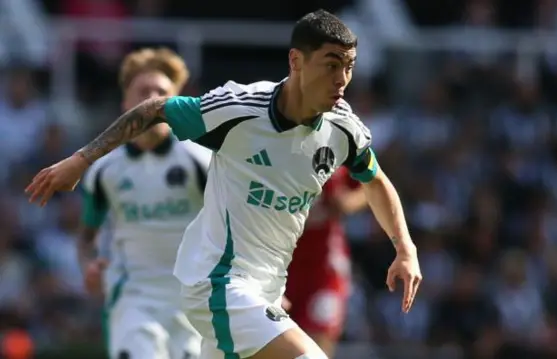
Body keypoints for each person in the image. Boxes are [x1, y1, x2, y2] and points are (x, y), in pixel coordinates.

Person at [25, 10, 422, 359]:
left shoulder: (342, 127)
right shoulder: (239, 110)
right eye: (331, 64)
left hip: (266, 288)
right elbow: (155, 110)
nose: (342, 78)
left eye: (349, 66)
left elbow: (375, 180)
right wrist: (80, 161)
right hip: (218, 282)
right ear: (296, 61)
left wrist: (405, 248)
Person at [77, 48, 207, 359]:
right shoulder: (104, 170)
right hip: (132, 297)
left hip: (193, 300)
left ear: (176, 104)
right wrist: (88, 267)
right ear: (125, 104)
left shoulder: (202, 162)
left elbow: (235, 227)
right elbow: (86, 238)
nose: (151, 102)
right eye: (142, 93)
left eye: (161, 93)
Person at [284, 166, 367, 358]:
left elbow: (371, 184)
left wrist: (347, 202)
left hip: (325, 268)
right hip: (281, 262)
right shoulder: (277, 143)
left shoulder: (341, 142)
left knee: (318, 344)